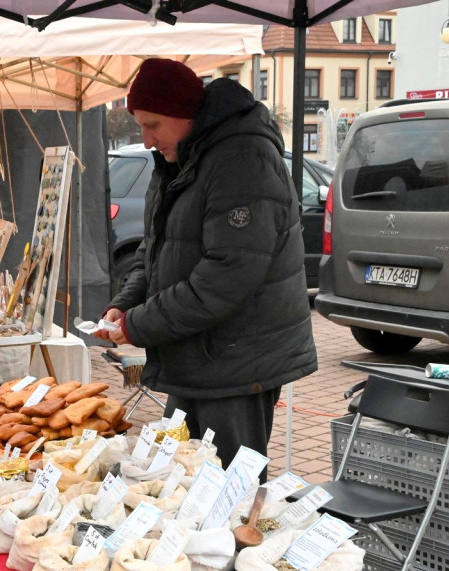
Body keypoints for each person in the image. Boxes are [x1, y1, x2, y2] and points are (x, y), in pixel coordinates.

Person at [94, 58, 317, 477]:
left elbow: (226, 276)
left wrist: (139, 325)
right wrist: (127, 303)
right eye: (140, 125)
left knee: (229, 491)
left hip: (237, 361)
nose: (145, 141)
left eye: (153, 125)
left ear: (186, 114)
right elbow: (156, 248)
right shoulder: (181, 158)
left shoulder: (242, 160)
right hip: (196, 356)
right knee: (181, 480)